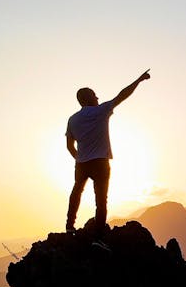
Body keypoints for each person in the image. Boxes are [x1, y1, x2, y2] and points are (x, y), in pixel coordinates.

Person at [65, 69, 151, 233]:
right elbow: (122, 95)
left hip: (81, 163)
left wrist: (79, 158)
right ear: (89, 98)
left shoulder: (73, 119)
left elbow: (69, 145)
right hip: (100, 162)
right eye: (95, 95)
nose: (98, 97)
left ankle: (69, 226)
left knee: (76, 192)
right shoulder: (101, 111)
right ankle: (98, 236)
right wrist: (138, 80)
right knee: (101, 200)